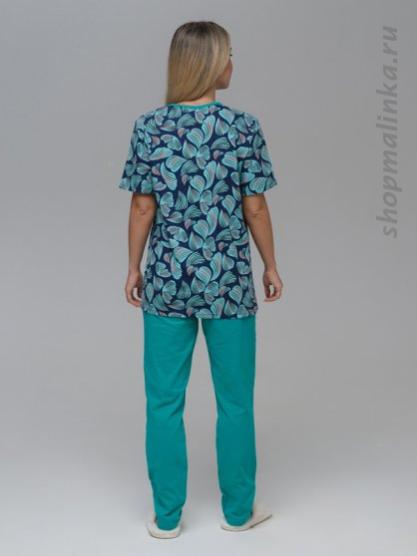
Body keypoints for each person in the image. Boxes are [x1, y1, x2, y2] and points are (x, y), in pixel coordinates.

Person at [118, 20, 283, 539]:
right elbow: (255, 208)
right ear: (212, 64)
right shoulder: (243, 128)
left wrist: (134, 267)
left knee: (163, 403)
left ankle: (167, 519)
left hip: (167, 282)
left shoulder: (148, 126)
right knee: (235, 401)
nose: (233, 62)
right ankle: (238, 513)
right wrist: (270, 265)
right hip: (229, 283)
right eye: (229, 53)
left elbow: (142, 207)